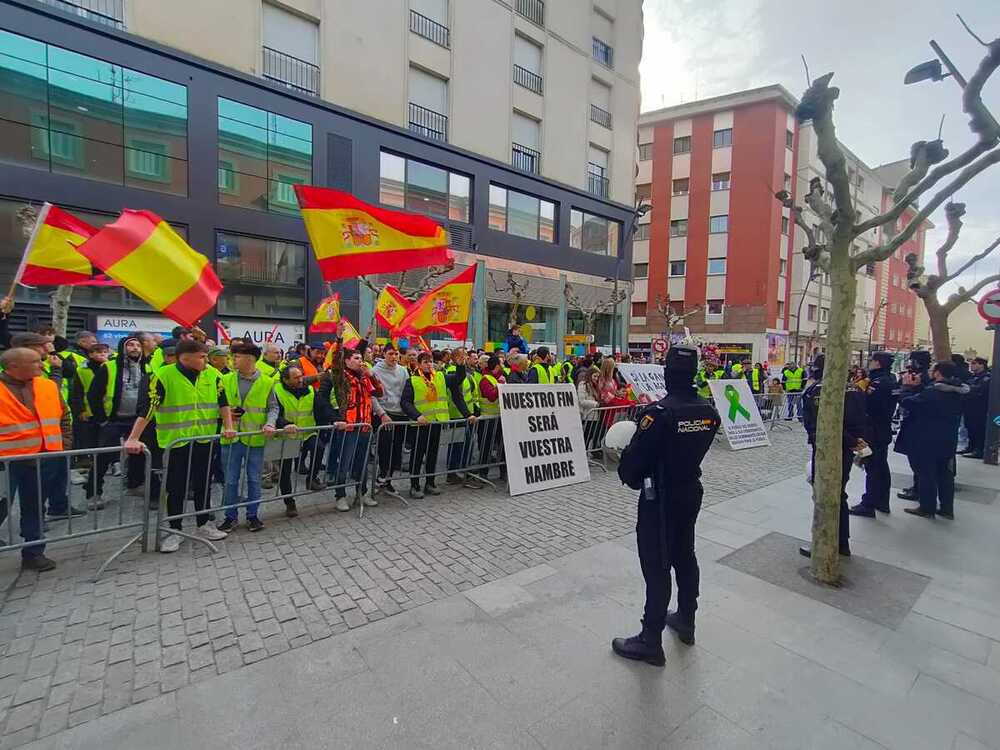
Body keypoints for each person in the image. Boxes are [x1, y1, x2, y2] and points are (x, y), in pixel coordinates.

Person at [611, 345, 720, 665]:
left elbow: (632, 471)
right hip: (690, 491)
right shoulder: (707, 412)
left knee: (657, 566)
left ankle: (650, 639)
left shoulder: (658, 414)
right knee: (685, 556)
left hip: (660, 499)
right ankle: (687, 618)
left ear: (668, 374)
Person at [124, 339, 235, 553]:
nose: (206, 361)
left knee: (204, 484)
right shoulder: (163, 376)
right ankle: (175, 530)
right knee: (176, 487)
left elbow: (223, 403)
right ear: (185, 357)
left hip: (204, 439)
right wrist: (133, 437)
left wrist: (228, 426)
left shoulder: (213, 375)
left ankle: (204, 525)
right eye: (202, 357)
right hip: (176, 442)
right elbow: (148, 409)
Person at [0, 348, 75, 571]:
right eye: (35, 362)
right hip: (5, 464)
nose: (42, 365)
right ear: (13, 366)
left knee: (35, 507)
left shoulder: (47, 385)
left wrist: (64, 445)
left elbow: (64, 415)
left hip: (43, 458)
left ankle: (34, 553)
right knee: (2, 507)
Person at [798, 354, 869, 558]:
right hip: (847, 448)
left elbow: (817, 424)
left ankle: (825, 542)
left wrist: (849, 440)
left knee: (825, 494)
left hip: (827, 447)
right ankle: (842, 542)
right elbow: (863, 418)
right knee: (840, 494)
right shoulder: (856, 388)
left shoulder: (816, 391)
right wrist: (856, 441)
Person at [217, 343, 279, 533]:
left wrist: (270, 423)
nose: (233, 359)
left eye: (237, 356)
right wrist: (223, 416)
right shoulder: (224, 379)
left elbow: (273, 407)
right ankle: (230, 516)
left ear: (251, 359)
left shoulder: (267, 382)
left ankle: (253, 515)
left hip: (255, 438)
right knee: (230, 480)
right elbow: (215, 404)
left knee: (254, 479)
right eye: (233, 356)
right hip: (230, 438)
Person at [320, 342, 385, 511]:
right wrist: (339, 338)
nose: (360, 361)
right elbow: (335, 361)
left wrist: (371, 375)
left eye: (361, 358)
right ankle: (340, 496)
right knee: (345, 463)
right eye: (356, 358)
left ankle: (361, 493)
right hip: (348, 427)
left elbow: (379, 392)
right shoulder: (341, 376)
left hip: (365, 426)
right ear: (347, 361)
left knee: (362, 463)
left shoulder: (364, 377)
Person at [84, 335, 146, 510]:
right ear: (122, 348)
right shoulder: (109, 367)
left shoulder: (146, 367)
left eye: (138, 345)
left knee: (138, 454)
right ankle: (94, 493)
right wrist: (102, 419)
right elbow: (93, 395)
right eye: (131, 345)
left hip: (136, 418)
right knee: (103, 457)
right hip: (112, 419)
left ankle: (134, 485)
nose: (135, 348)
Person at [900, 361, 968, 519]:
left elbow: (908, 402)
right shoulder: (960, 392)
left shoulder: (933, 392)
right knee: (945, 474)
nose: (929, 372)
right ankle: (946, 509)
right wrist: (918, 389)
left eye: (932, 369)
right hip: (948, 439)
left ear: (938, 373)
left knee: (926, 474)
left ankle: (927, 507)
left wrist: (907, 388)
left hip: (926, 438)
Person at [400, 351, 465, 499]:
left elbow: (458, 379)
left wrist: (460, 365)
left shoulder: (440, 377)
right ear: (419, 365)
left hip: (436, 423)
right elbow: (405, 402)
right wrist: (417, 416)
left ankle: (430, 482)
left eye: (430, 361)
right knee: (417, 456)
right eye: (425, 362)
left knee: (432, 454)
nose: (429, 364)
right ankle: (414, 485)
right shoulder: (413, 380)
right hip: (420, 425)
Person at [274, 365, 328, 517]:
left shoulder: (310, 390)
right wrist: (284, 424)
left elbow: (323, 407)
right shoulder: (277, 391)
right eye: (296, 378)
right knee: (285, 472)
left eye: (301, 376)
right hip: (287, 435)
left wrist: (337, 419)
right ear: (286, 380)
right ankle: (289, 503)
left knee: (319, 447)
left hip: (307, 432)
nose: (300, 380)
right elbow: (273, 412)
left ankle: (312, 479)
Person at [850, 352, 897, 517]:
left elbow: (866, 405)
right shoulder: (889, 379)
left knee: (873, 467)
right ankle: (882, 501)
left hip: (873, 430)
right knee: (881, 467)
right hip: (881, 429)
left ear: (878, 363)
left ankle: (869, 503)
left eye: (872, 361)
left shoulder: (877, 382)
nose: (869, 363)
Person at [894, 350, 932, 502]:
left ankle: (919, 490)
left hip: (918, 424)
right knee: (915, 460)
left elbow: (910, 400)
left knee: (918, 461)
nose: (910, 363)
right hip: (913, 421)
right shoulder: (917, 375)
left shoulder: (924, 379)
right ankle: (917, 487)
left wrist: (908, 387)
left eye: (913, 360)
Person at [372, 345, 410, 493]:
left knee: (396, 450)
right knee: (384, 449)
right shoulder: (375, 371)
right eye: (390, 354)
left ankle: (388, 481)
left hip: (400, 414)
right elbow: (372, 396)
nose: (394, 357)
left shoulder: (403, 370)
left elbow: (406, 393)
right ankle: (381, 476)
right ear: (384, 354)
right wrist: (381, 414)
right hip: (384, 414)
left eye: (396, 354)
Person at [69, 343, 111, 453]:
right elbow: (76, 393)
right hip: (89, 411)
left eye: (105, 352)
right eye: (98, 352)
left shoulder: (111, 367)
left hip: (108, 409)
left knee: (107, 440)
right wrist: (80, 410)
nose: (102, 354)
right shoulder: (82, 370)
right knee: (91, 439)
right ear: (90, 355)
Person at [445, 349, 478, 484]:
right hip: (456, 415)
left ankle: (464, 470)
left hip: (467, 415)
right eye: (463, 355)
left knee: (467, 445)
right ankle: (452, 473)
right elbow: (457, 395)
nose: (465, 356)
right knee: (456, 446)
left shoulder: (466, 372)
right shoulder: (452, 371)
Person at [960, 357, 990, 459]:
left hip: (980, 409)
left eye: (974, 363)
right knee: (970, 428)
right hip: (969, 408)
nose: (971, 365)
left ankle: (979, 450)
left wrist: (968, 389)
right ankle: (971, 447)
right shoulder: (973, 377)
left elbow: (979, 391)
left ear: (981, 365)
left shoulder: (986, 378)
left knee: (979, 429)